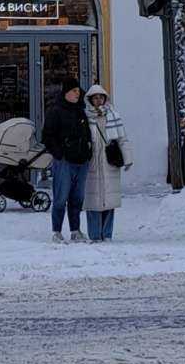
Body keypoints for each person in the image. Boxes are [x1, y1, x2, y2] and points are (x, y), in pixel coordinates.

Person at [41, 79, 92, 242]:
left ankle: (75, 230)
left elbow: (87, 133)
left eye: (78, 91)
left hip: (82, 160)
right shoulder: (55, 111)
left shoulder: (81, 111)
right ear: (66, 92)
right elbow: (47, 136)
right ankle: (56, 231)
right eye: (74, 91)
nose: (78, 94)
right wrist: (58, 153)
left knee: (77, 198)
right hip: (64, 161)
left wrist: (88, 151)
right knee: (61, 197)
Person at [82, 82, 132, 241]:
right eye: (95, 98)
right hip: (92, 163)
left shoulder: (113, 115)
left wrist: (128, 158)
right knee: (93, 201)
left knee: (109, 200)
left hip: (109, 162)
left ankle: (107, 234)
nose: (98, 100)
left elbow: (122, 138)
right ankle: (95, 235)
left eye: (100, 97)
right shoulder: (85, 117)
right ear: (89, 99)